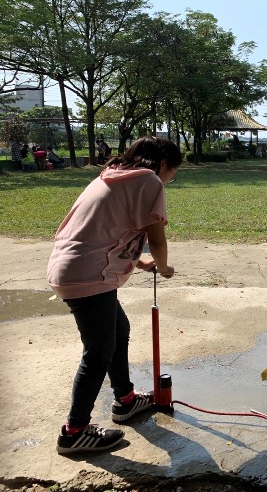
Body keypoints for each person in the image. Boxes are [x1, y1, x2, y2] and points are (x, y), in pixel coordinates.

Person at [47, 136, 182, 454]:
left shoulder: (115, 175)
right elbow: (156, 238)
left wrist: (141, 262)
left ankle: (125, 400)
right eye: (172, 173)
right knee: (98, 353)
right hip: (87, 275)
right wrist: (162, 266)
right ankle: (74, 432)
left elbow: (109, 231)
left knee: (118, 332)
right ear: (163, 164)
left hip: (76, 268)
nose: (169, 180)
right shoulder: (148, 180)